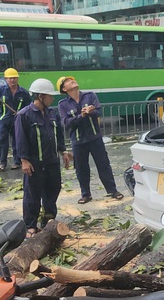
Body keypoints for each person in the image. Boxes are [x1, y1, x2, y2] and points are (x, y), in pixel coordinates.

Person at [15, 78, 72, 238]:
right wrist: (24, 160)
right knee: (32, 194)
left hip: (52, 162)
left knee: (53, 190)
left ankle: (48, 220)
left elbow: (58, 135)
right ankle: (30, 225)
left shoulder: (51, 114)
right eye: (49, 96)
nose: (52, 99)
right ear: (40, 96)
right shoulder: (24, 115)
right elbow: (20, 140)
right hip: (34, 164)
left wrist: (63, 151)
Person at [57, 76, 124, 205]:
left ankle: (113, 190)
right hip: (78, 141)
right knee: (81, 168)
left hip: (95, 138)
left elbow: (98, 111)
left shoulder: (90, 96)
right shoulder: (63, 104)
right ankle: (86, 194)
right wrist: (81, 116)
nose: (73, 81)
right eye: (69, 82)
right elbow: (65, 123)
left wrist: (91, 111)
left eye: (73, 80)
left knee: (103, 164)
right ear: (64, 89)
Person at [0, 68, 31, 171]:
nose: (12, 80)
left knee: (17, 141)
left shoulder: (23, 92)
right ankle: (2, 163)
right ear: (6, 79)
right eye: (10, 78)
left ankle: (17, 162)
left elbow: (29, 106)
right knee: (2, 141)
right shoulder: (0, 91)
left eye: (14, 78)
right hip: (3, 120)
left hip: (17, 120)